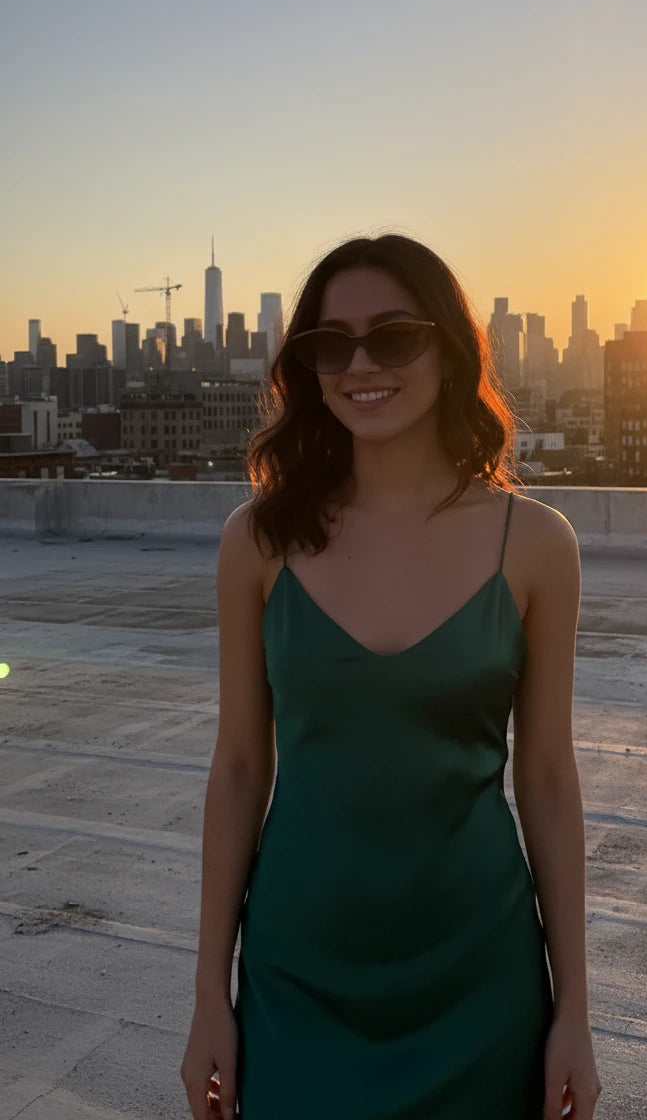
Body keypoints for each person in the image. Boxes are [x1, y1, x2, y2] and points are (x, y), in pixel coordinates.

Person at [181, 233, 601, 1119]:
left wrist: (575, 1013)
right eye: (331, 345)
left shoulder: (535, 546)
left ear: (450, 349)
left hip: (480, 979)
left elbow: (551, 778)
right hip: (297, 973)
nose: (360, 364)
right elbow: (240, 769)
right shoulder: (255, 542)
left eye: (394, 335)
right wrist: (207, 1000)